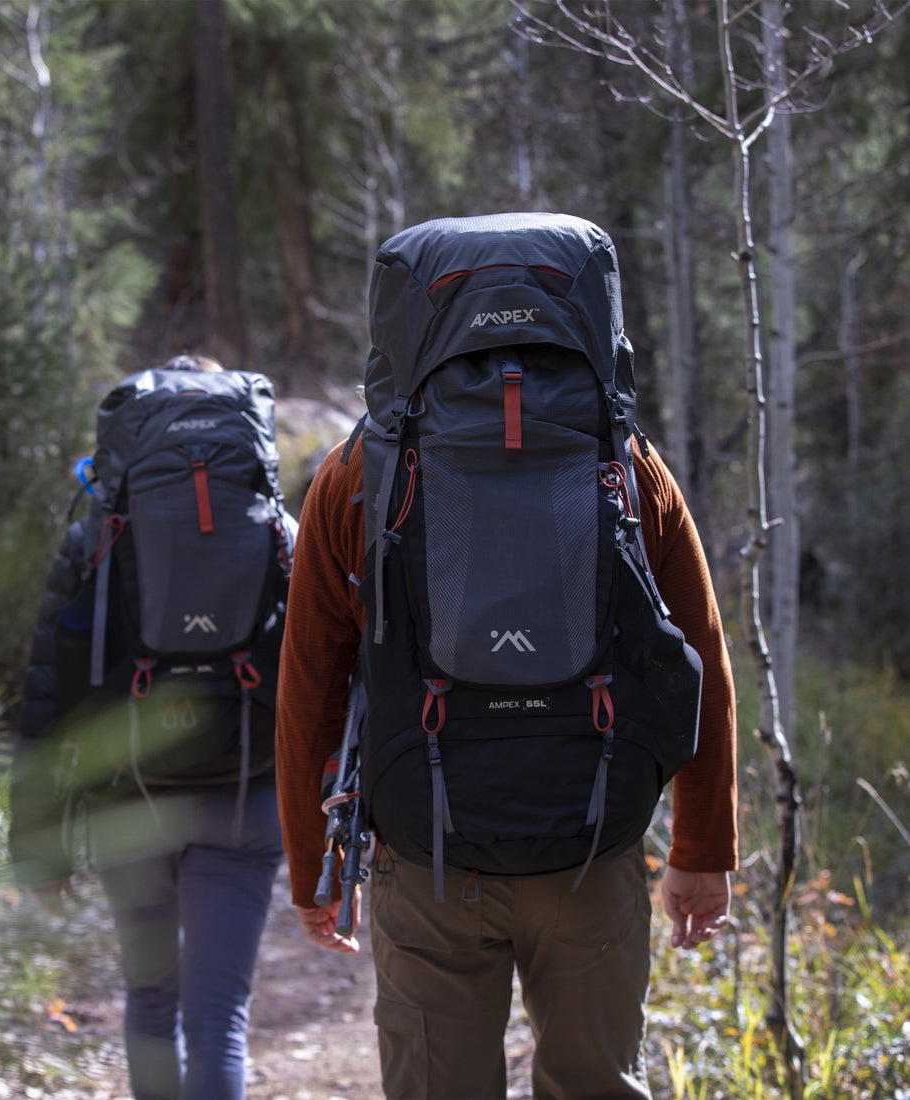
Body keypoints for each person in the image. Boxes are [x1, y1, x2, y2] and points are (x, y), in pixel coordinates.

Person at [274, 269, 738, 1095]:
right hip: (592, 844)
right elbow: (698, 660)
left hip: (426, 854)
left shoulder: (354, 476)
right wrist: (702, 851)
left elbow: (309, 689)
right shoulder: (630, 464)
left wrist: (315, 867)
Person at [10, 353, 296, 1100]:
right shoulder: (277, 530)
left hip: (127, 799)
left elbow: (47, 691)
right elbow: (327, 676)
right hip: (246, 795)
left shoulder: (97, 536)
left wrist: (37, 844)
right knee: (219, 1017)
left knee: (150, 1001)